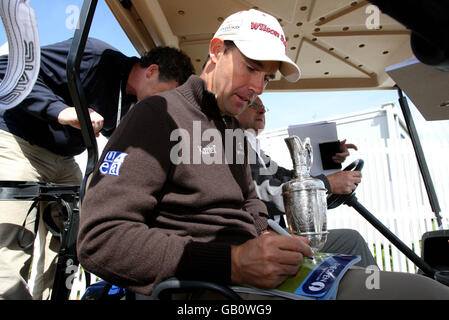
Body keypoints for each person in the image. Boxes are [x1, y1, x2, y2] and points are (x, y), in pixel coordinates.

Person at [77, 10, 449, 299]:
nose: (257, 88)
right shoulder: (156, 115)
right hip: (208, 289)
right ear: (216, 50)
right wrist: (234, 263)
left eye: (267, 77)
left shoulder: (233, 130)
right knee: (429, 295)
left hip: (252, 274)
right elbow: (100, 240)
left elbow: (253, 207)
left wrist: (271, 243)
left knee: (370, 259)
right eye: (251, 67)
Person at [0, 37, 195, 300]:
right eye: (166, 96)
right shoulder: (93, 56)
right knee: (10, 251)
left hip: (65, 160)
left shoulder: (133, 105)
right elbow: (8, 68)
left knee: (66, 249)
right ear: (151, 71)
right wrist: (60, 111)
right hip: (19, 145)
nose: (166, 107)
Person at [235, 97, 376, 267]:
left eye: (264, 107)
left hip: (271, 232)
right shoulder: (234, 144)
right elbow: (265, 192)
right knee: (352, 241)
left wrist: (329, 160)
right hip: (258, 237)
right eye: (254, 105)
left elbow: (290, 177)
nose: (262, 111)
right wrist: (327, 184)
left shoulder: (255, 150)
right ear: (237, 107)